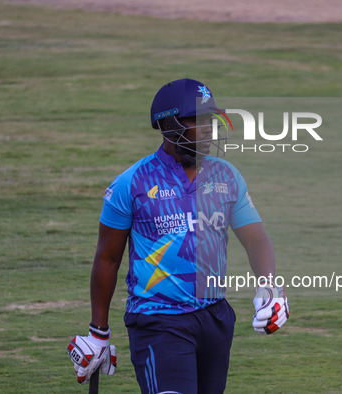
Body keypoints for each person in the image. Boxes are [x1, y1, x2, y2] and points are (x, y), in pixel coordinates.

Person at [67, 78, 289, 393]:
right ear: (168, 125)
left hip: (215, 318)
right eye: (197, 120)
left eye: (210, 119)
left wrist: (269, 288)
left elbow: (256, 239)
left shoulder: (227, 176)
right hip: (158, 321)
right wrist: (97, 333)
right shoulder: (131, 183)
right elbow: (107, 258)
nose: (209, 128)